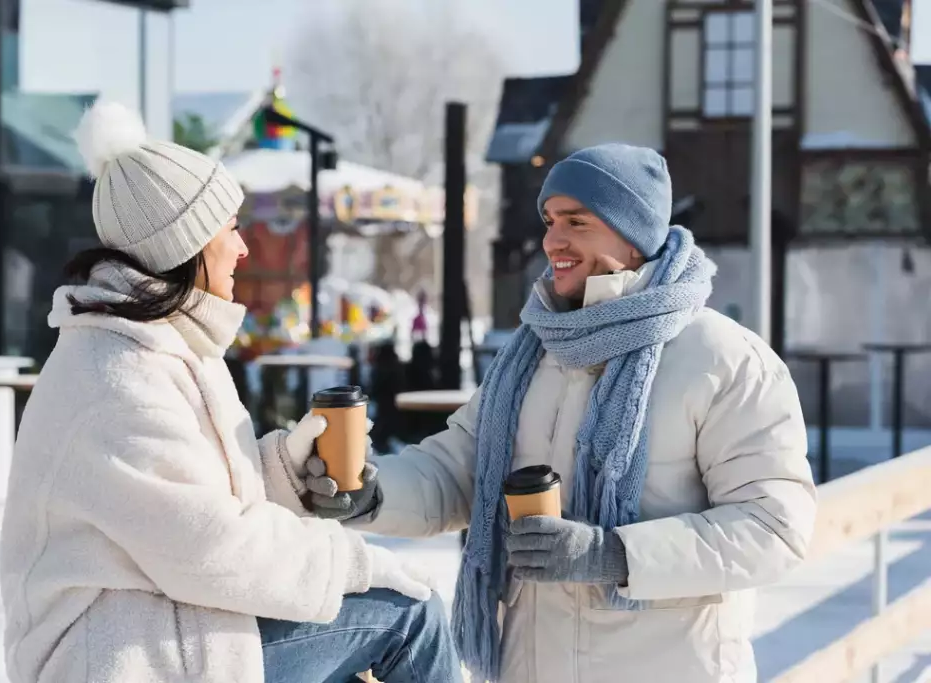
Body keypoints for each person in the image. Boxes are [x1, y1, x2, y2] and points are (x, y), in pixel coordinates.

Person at [294, 144, 817, 682]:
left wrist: (613, 554)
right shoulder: (532, 354)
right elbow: (458, 472)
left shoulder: (723, 359)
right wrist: (372, 492)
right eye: (549, 220)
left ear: (633, 235)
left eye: (577, 221)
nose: (552, 240)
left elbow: (773, 528)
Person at [0, 100, 463, 683]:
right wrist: (354, 563)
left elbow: (188, 505)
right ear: (186, 245)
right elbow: (208, 547)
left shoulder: (162, 344)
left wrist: (285, 472)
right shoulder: (115, 377)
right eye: (231, 229)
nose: (244, 248)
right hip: (120, 659)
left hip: (165, 627)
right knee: (409, 617)